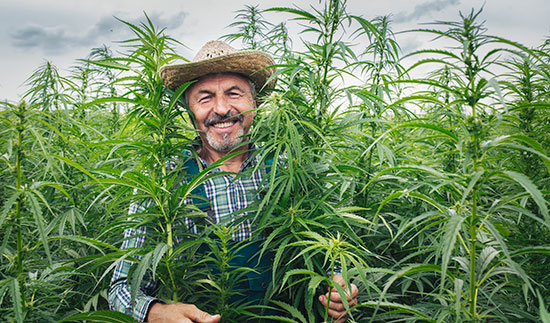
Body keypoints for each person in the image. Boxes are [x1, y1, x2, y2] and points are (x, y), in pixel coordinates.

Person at [108, 40, 358, 323]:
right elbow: (121, 289)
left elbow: (329, 257)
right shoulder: (163, 182)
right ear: (190, 113)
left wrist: (338, 286)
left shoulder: (289, 169)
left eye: (234, 93)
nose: (222, 108)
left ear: (255, 103)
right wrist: (156, 313)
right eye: (205, 98)